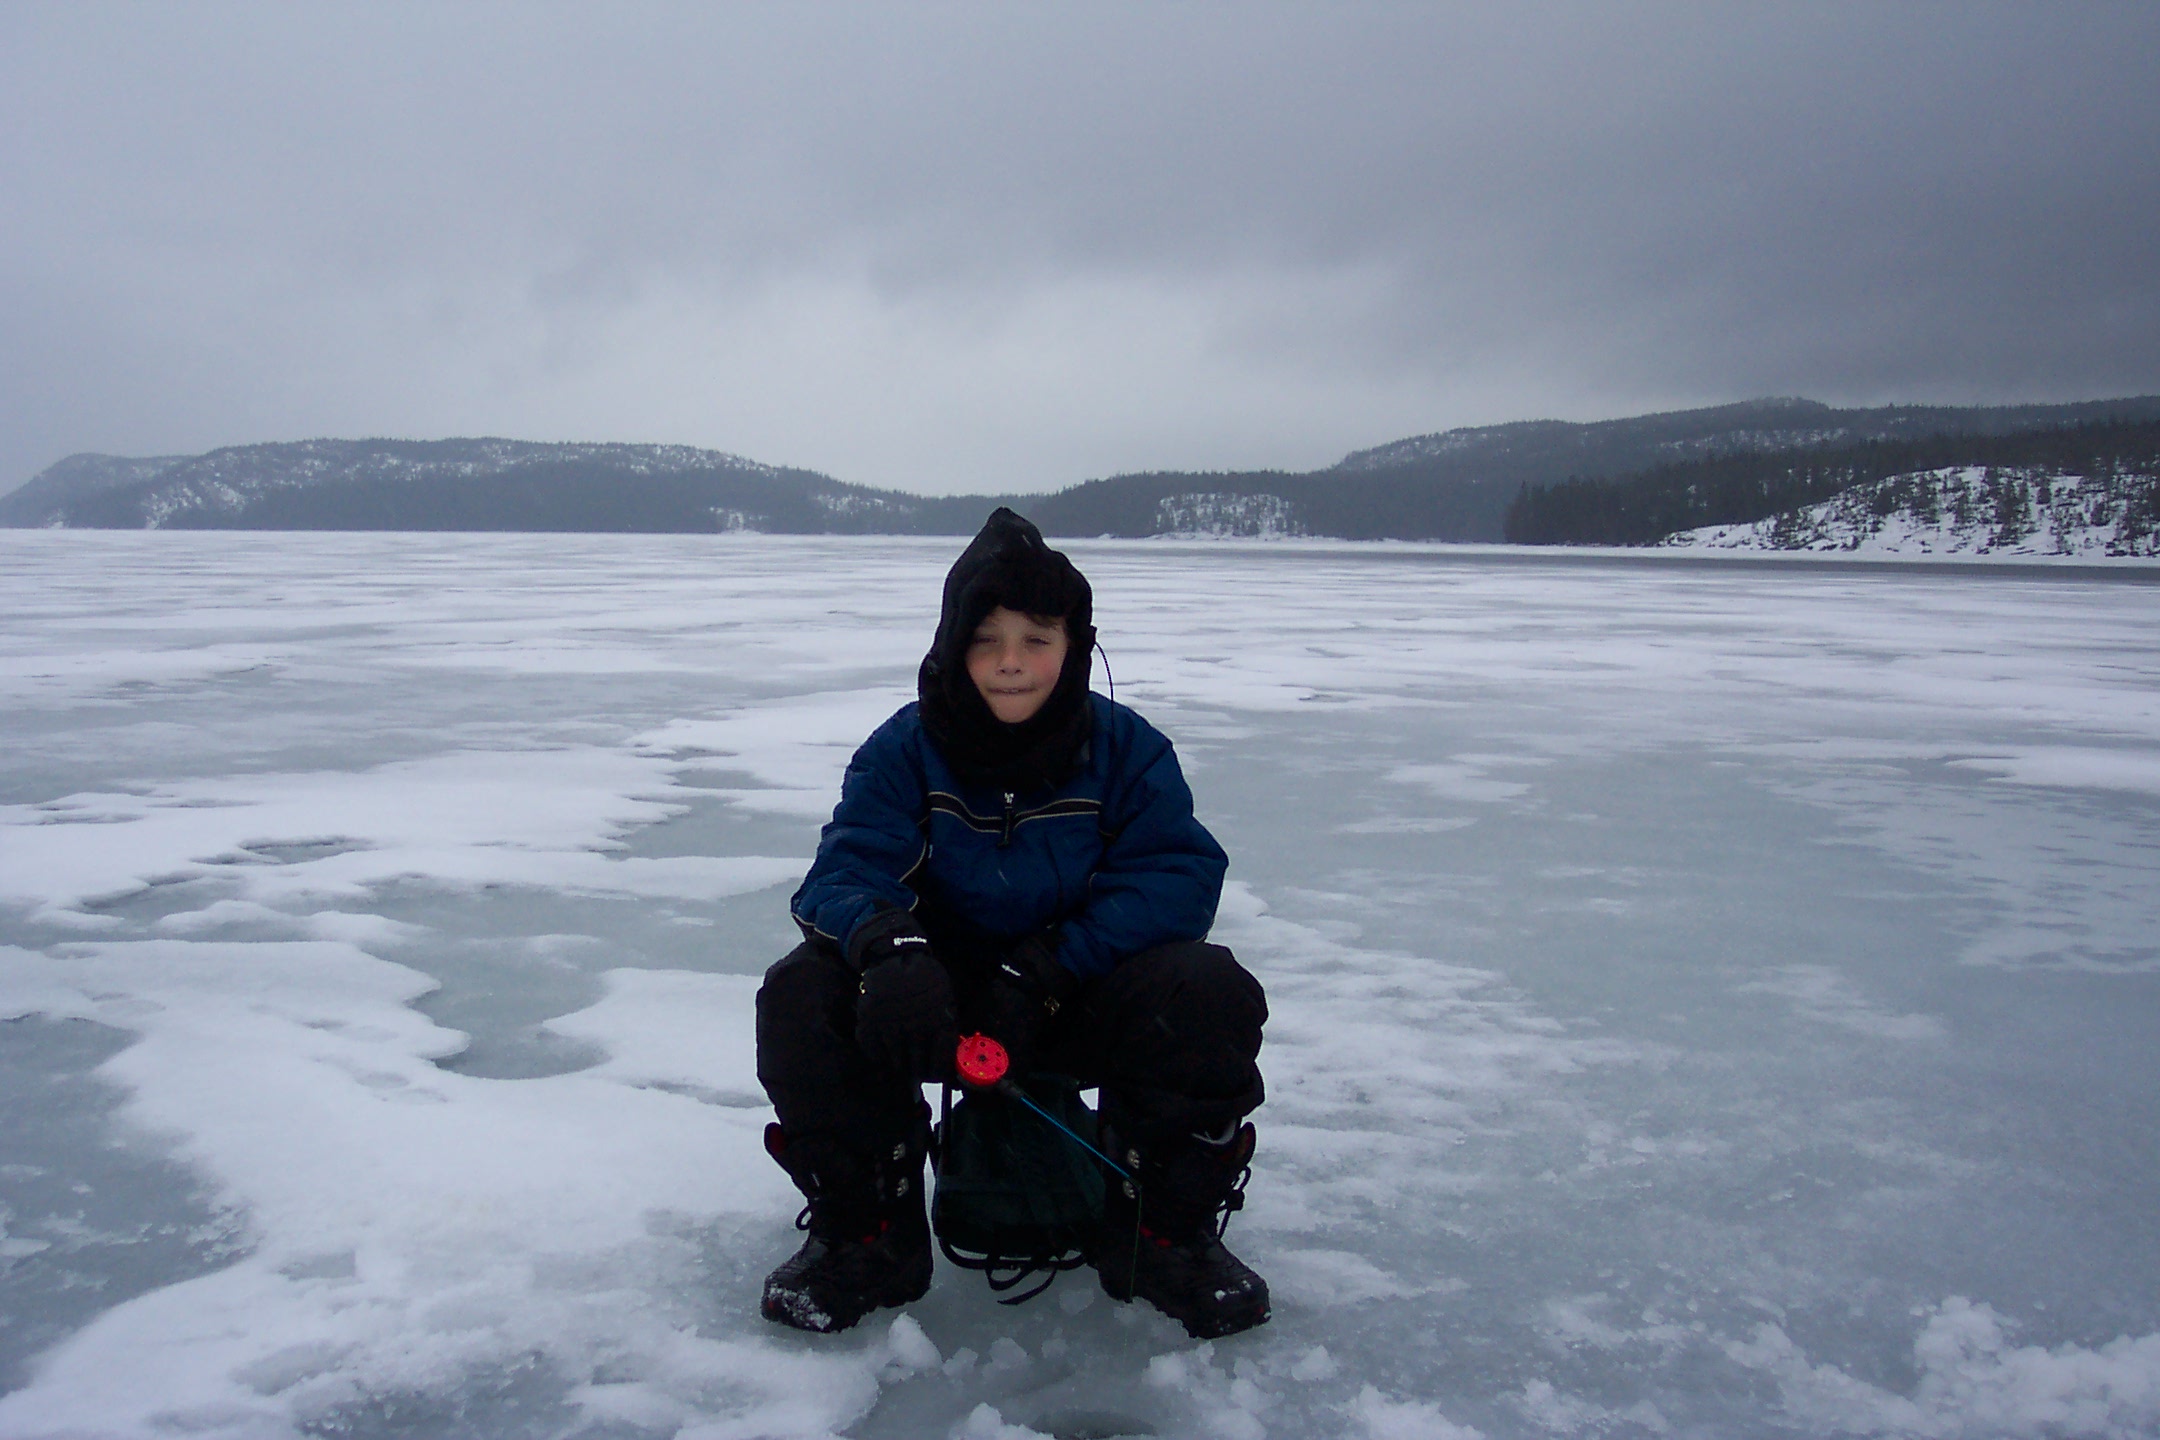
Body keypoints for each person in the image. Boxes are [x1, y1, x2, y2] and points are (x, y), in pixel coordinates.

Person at [755, 507, 1270, 1339]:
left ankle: (1162, 1236)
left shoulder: (1128, 750)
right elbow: (846, 868)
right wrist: (893, 952)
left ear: (1076, 644)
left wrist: (1049, 969)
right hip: (936, 1001)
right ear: (952, 644)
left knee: (1208, 991)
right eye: (987, 638)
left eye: (1037, 638)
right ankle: (870, 1234)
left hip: (1068, 992)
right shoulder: (903, 748)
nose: (1010, 663)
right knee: (801, 993)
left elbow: (1175, 878)